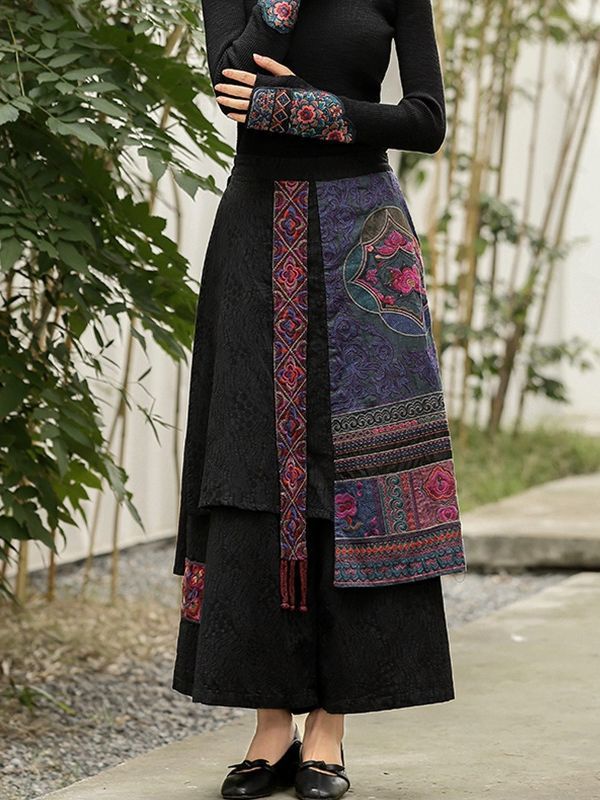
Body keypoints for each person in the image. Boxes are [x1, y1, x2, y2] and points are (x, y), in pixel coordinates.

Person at [171, 1, 467, 798]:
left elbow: (426, 121)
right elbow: (232, 84)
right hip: (255, 231)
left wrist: (309, 109)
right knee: (249, 465)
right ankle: (271, 726)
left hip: (364, 242)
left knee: (361, 474)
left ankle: (329, 729)